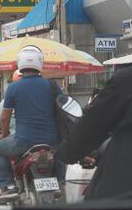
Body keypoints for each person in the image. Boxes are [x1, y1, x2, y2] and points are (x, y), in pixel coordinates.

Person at [0, 46, 63, 203]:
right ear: (40, 63)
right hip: (52, 140)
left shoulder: (13, 88)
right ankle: (59, 182)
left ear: (20, 64)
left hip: (23, 142)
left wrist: (3, 134)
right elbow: (64, 108)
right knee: (61, 152)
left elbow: (4, 118)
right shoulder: (51, 85)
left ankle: (8, 187)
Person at [56, 66, 132, 200]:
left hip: (122, 188)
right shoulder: (50, 87)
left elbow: (93, 126)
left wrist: (66, 152)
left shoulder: (126, 79)